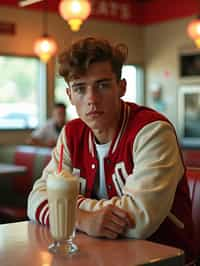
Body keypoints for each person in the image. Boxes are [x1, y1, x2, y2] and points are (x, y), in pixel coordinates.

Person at [27, 37, 196, 263]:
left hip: (165, 258)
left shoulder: (152, 132)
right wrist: (82, 218)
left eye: (103, 85)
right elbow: (35, 199)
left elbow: (140, 219)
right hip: (100, 256)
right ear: (69, 95)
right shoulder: (70, 134)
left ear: (121, 87)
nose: (92, 99)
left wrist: (66, 208)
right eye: (79, 88)